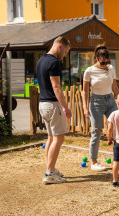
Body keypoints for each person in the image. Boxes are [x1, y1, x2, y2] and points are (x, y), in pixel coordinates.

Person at [36, 36, 72, 184]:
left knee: (51, 138)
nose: (65, 55)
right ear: (60, 46)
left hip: (43, 104)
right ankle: (49, 173)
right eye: (65, 52)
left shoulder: (41, 61)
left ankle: (50, 168)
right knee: (59, 138)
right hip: (52, 104)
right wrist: (65, 107)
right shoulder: (54, 62)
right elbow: (56, 87)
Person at [82, 44, 119, 171]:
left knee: (118, 128)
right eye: (102, 62)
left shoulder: (111, 68)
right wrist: (85, 108)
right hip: (96, 103)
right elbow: (85, 91)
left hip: (110, 101)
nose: (105, 64)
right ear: (96, 58)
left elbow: (114, 87)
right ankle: (94, 162)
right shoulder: (89, 71)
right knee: (96, 132)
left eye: (106, 61)